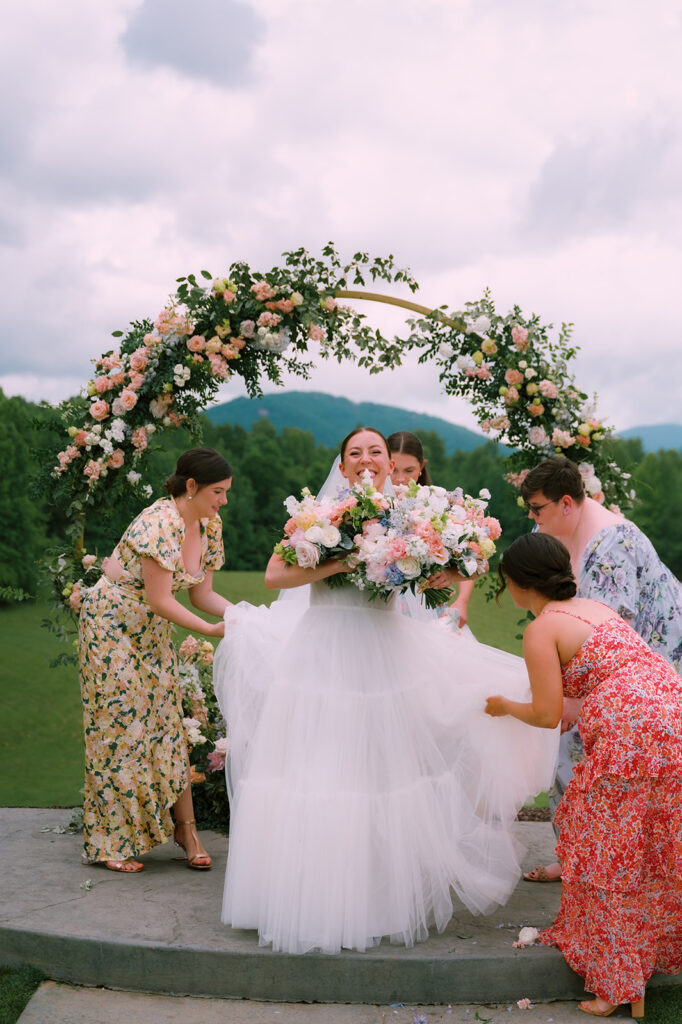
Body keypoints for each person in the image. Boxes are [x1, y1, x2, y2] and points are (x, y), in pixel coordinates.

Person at [213, 427, 558, 954]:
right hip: (323, 655)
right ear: (343, 462)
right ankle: (308, 899)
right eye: (356, 452)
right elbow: (273, 576)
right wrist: (343, 559)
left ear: (387, 459)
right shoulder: (317, 516)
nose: (367, 459)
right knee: (319, 769)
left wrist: (443, 573)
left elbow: (439, 570)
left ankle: (375, 900)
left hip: (383, 653)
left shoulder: (407, 517)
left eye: (375, 451)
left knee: (378, 772)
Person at [485, 532, 682, 1018]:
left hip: (629, 728)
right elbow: (610, 669)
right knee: (652, 843)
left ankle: (618, 985)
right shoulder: (595, 608)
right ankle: (648, 960)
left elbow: (547, 713)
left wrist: (504, 706)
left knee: (607, 849)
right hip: (670, 709)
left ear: (517, 583)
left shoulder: (541, 628)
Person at [519, 455, 682, 882]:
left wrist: (572, 698)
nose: (533, 519)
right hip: (615, 667)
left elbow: (611, 625)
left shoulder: (612, 543)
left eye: (538, 509)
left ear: (567, 503)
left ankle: (596, 859)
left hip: (650, 663)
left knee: (583, 752)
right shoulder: (562, 528)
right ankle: (575, 853)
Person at [78, 447, 232, 873]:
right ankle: (111, 840)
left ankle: (186, 829)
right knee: (118, 728)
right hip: (110, 626)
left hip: (148, 629)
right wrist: (211, 631)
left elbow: (201, 594)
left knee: (166, 720)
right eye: (218, 492)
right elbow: (161, 599)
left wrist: (240, 616)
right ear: (191, 486)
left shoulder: (210, 525)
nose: (223, 501)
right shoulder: (158, 522)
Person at [387, 430, 475, 629]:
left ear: (421, 467)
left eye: (409, 470)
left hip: (428, 605)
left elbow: (469, 557)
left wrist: (462, 601)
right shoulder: (371, 506)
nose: (400, 479)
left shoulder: (439, 505)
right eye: (393, 469)